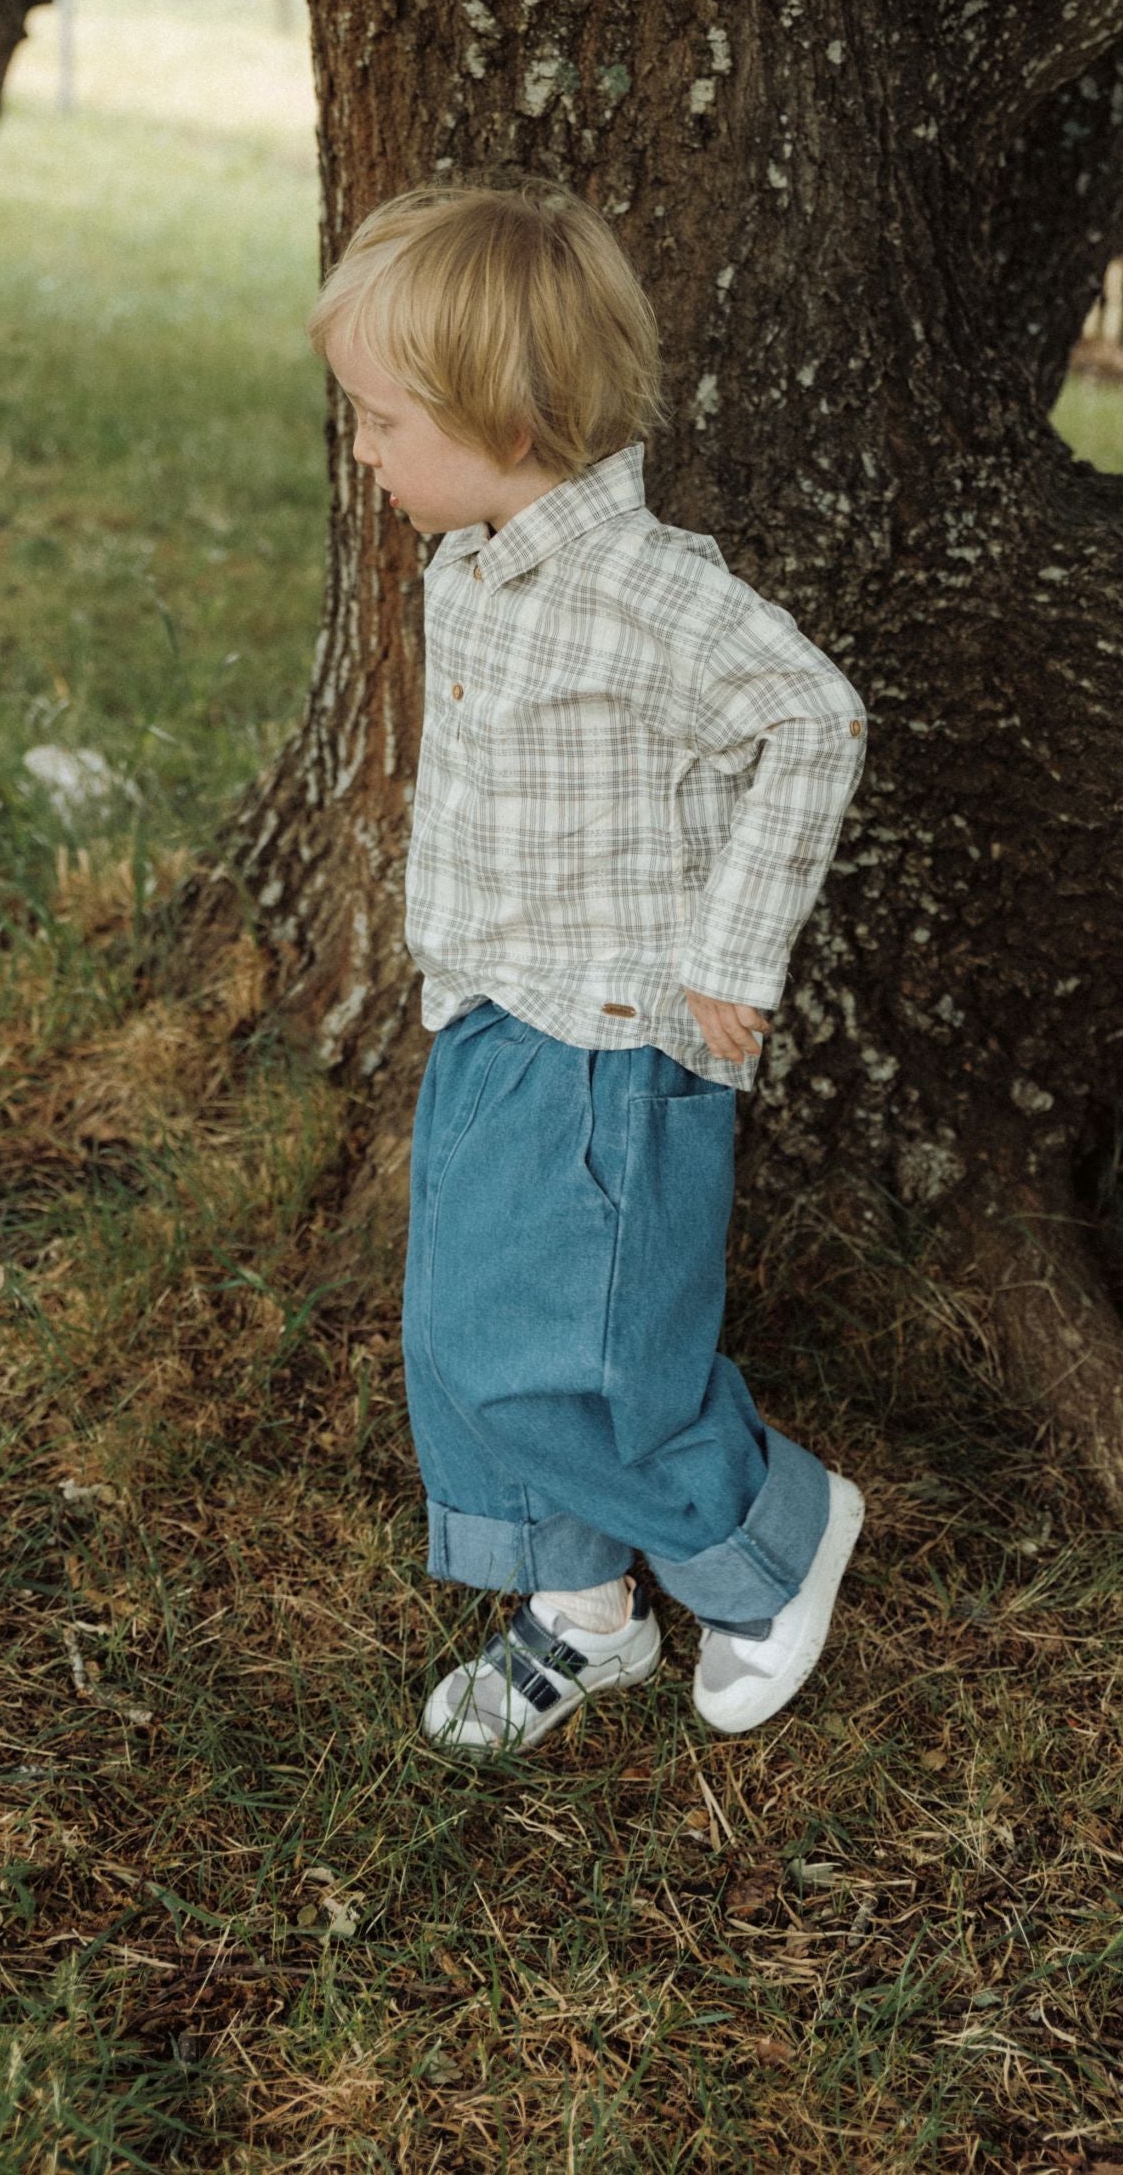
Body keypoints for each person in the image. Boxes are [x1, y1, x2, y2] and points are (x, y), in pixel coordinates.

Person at [307, 183, 869, 1756]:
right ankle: (584, 1605)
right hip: (494, 1009)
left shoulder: (649, 590)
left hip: (620, 1037)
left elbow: (811, 721)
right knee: (462, 1330)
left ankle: (765, 1529)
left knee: (592, 1350)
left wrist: (734, 950)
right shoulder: (474, 566)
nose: (360, 453)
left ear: (502, 412)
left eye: (378, 419)